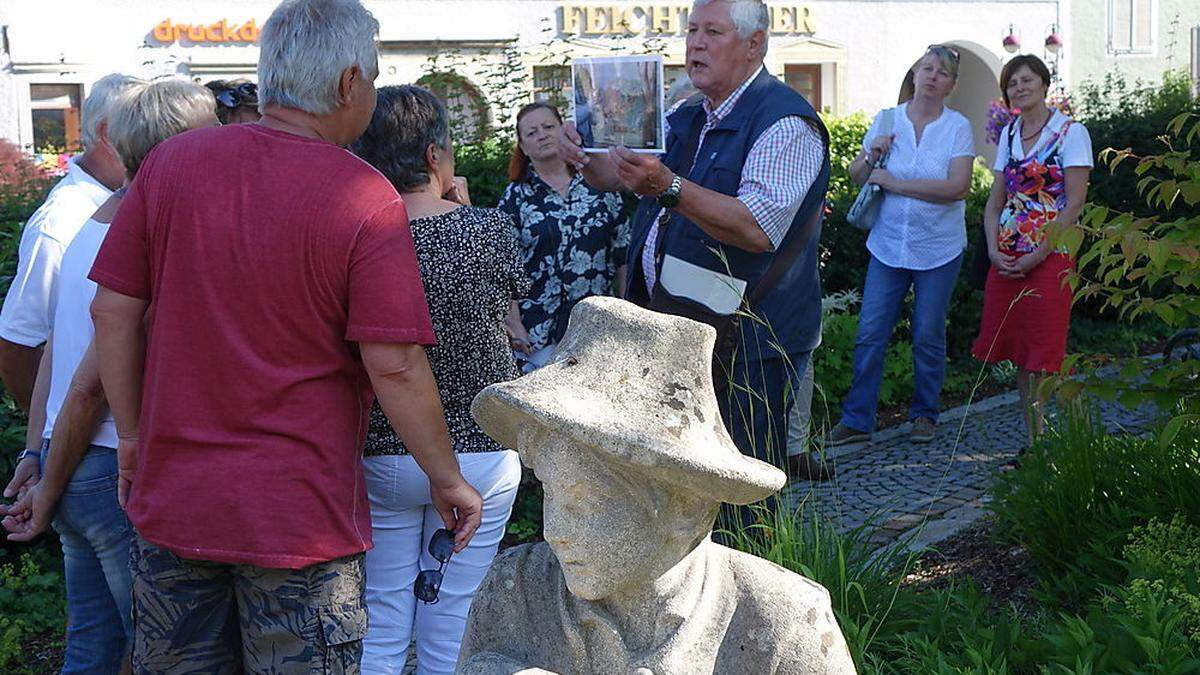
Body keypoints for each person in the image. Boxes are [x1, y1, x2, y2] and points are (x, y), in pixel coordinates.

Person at [86, 0, 483, 670]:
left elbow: (112, 313)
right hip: (299, 521)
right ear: (351, 82)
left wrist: (130, 435)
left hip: (177, 501)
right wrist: (446, 476)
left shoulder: (172, 166)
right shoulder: (362, 193)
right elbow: (394, 363)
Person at [459, 297, 857, 674]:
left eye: (586, 505)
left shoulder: (782, 621)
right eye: (551, 494)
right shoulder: (514, 592)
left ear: (686, 509)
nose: (556, 532)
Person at [557, 0, 830, 488]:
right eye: (692, 31)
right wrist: (583, 150)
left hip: (748, 340)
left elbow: (756, 227)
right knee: (681, 484)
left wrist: (669, 187)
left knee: (737, 486)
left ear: (754, 44)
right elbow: (612, 176)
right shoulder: (687, 114)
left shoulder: (785, 121)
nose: (696, 43)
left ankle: (750, 566)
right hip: (681, 325)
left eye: (713, 32)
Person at [1, 78, 219, 673]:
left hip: (72, 462)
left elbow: (54, 353)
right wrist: (46, 483)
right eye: (213, 137)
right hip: (105, 469)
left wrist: (37, 454)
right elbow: (92, 383)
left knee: (93, 647)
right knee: (159, 653)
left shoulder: (93, 222)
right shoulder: (143, 236)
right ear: (183, 149)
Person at [349, 85, 528, 675]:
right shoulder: (487, 231)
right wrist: (468, 210)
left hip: (382, 446)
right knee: (451, 617)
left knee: (382, 614)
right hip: (478, 451)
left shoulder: (357, 236)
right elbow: (515, 328)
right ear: (434, 156)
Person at [826, 45, 976, 448]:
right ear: (914, 74)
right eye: (926, 68)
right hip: (889, 245)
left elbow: (958, 187)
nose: (932, 76)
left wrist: (894, 182)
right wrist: (871, 156)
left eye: (942, 73)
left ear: (951, 86)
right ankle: (857, 419)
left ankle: (924, 414)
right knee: (871, 332)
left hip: (938, 248)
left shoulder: (957, 127)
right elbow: (858, 175)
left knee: (928, 332)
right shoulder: (887, 119)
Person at [0, 74, 141, 502]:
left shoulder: (117, 204)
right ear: (107, 135)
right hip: (91, 455)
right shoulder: (62, 220)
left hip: (85, 450)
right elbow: (19, 343)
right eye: (139, 122)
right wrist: (45, 443)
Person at [972, 54, 1092, 444]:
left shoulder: (1071, 133)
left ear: (1044, 84)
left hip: (1050, 255)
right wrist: (992, 247)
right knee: (1023, 353)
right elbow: (995, 201)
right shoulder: (1008, 134)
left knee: (1047, 351)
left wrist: (1038, 254)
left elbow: (1074, 204)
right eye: (1012, 83)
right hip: (1007, 256)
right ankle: (1036, 443)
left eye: (1026, 80)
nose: (1019, 88)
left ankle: (1074, 444)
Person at [498, 101, 629, 372]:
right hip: (538, 334)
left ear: (564, 131)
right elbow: (504, 269)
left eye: (548, 127)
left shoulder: (600, 185)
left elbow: (623, 253)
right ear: (522, 146)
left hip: (599, 328)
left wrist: (629, 312)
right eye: (532, 132)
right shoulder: (514, 198)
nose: (542, 135)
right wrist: (515, 326)